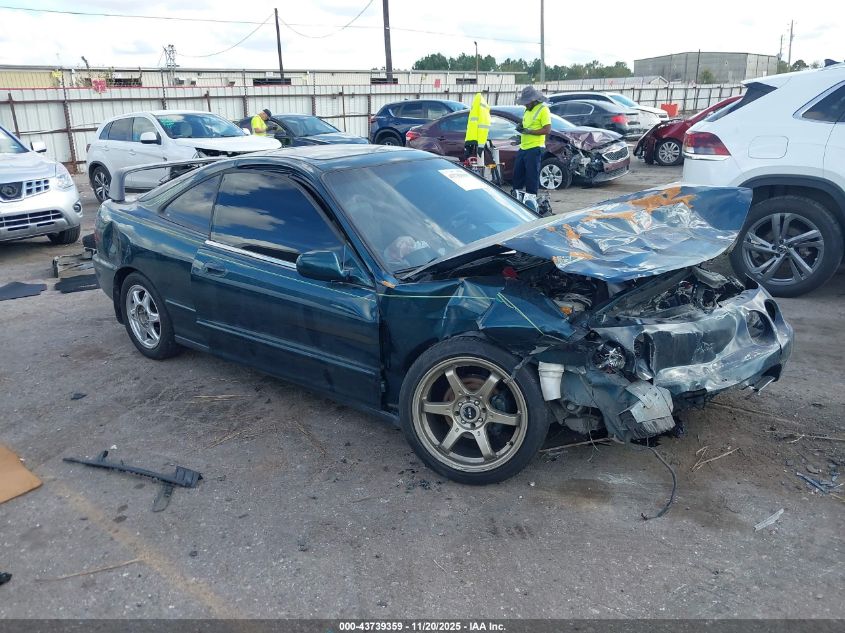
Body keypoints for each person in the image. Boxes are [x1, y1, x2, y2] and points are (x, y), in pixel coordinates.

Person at [512, 86, 551, 211]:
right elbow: (526, 126)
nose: (525, 105)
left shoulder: (543, 110)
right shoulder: (527, 111)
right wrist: (521, 132)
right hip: (524, 147)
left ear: (533, 100)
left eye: (526, 103)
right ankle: (516, 199)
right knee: (517, 175)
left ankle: (531, 203)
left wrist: (529, 132)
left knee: (531, 177)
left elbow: (547, 130)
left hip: (535, 148)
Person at [464, 92, 491, 160]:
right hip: (477, 142)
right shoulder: (482, 112)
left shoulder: (477, 110)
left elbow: (478, 128)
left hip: (476, 142)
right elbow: (480, 129)